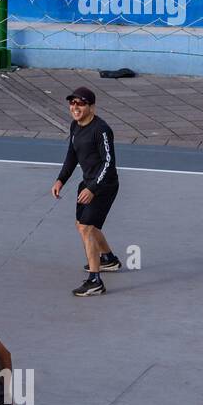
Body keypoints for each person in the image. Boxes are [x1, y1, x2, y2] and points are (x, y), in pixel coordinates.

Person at [51, 86, 120, 297]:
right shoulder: (75, 126)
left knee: (87, 228)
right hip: (88, 183)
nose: (75, 107)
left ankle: (95, 280)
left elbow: (109, 163)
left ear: (91, 107)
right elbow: (72, 154)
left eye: (80, 104)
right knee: (82, 226)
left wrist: (93, 188)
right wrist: (61, 179)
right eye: (72, 103)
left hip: (104, 186)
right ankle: (108, 259)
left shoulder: (102, 130)